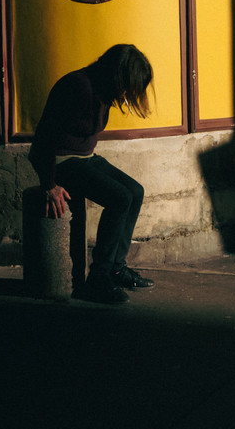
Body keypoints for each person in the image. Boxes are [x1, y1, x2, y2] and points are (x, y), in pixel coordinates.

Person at [30, 44, 155, 303]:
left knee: (135, 191)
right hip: (62, 162)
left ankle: (116, 268)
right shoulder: (78, 86)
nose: (127, 93)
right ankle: (99, 278)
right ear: (117, 74)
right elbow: (44, 138)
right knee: (119, 198)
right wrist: (49, 185)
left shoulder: (102, 89)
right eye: (128, 85)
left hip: (86, 158)